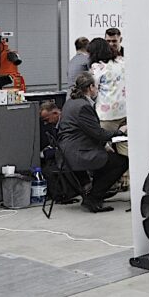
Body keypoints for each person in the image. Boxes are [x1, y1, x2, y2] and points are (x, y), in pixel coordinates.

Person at [57, 72, 128, 212]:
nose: (97, 89)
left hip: (69, 151)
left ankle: (94, 192)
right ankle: (94, 196)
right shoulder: (83, 107)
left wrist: (104, 145)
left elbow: (89, 132)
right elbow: (98, 133)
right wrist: (121, 131)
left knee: (108, 159)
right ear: (90, 87)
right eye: (96, 86)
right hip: (77, 153)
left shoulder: (71, 102)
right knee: (121, 162)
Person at [87, 38, 126, 156]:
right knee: (125, 149)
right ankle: (126, 174)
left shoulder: (97, 67)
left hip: (105, 115)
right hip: (124, 111)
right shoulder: (122, 62)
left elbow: (92, 90)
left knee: (102, 149)